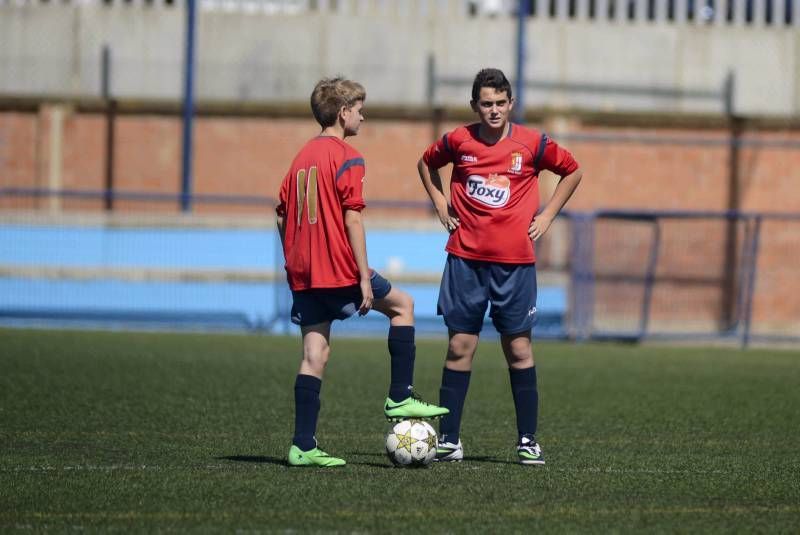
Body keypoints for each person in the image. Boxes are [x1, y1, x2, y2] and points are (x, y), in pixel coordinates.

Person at [277, 77, 448, 468]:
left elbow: (281, 212)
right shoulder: (347, 156)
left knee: (313, 353)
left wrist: (293, 256)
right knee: (403, 306)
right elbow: (353, 219)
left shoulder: (301, 156)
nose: (362, 116)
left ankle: (302, 445)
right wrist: (362, 275)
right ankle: (400, 395)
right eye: (358, 109)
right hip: (337, 267)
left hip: (303, 272)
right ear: (343, 113)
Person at [417, 68, 583, 465]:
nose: (493, 110)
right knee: (460, 346)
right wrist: (440, 204)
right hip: (465, 260)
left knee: (519, 348)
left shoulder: (531, 143)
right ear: (475, 106)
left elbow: (573, 170)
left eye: (500, 103)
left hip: (515, 265)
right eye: (486, 104)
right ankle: (450, 440)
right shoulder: (458, 139)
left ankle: (527, 440)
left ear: (511, 104)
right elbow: (426, 164)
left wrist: (548, 215)